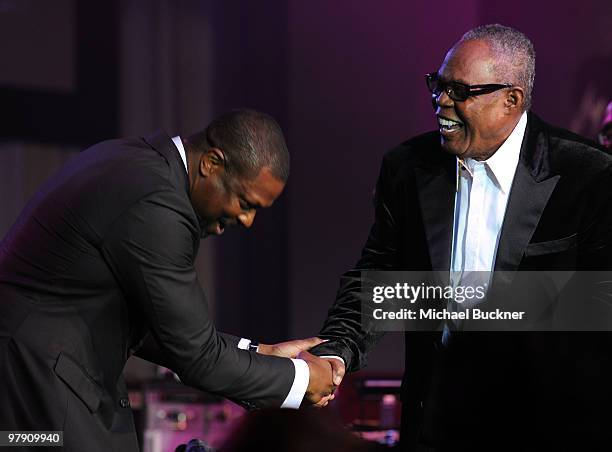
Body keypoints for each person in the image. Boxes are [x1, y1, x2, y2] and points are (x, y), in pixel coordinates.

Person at [310, 24, 612, 450]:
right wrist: (335, 352)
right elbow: (379, 278)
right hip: (435, 420)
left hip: (547, 422)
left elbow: (601, 303)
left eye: (459, 90)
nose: (441, 100)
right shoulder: (408, 167)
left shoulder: (589, 173)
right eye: (438, 84)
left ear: (512, 100)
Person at [0, 109, 335, 451]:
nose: (248, 220)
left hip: (42, 383)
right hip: (38, 391)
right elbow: (199, 357)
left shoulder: (136, 163)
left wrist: (264, 353)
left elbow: (156, 327)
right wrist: (303, 380)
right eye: (245, 202)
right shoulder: (156, 200)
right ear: (212, 164)